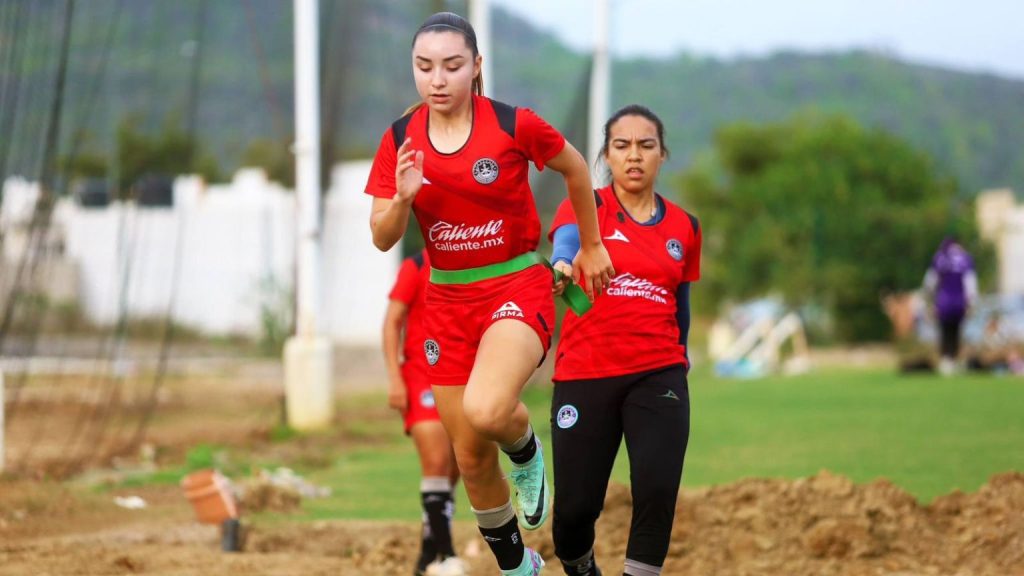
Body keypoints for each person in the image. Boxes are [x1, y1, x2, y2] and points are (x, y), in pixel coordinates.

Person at [366, 12, 615, 576]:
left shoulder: (512, 124)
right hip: (446, 304)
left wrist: (591, 245)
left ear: (476, 66)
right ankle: (518, 566)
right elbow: (382, 237)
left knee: (488, 409)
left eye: (452, 65)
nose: (437, 79)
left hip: (514, 284)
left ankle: (525, 451)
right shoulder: (400, 139)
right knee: (471, 457)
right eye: (424, 66)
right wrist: (403, 198)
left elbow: (576, 168)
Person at [547, 104, 702, 576]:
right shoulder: (586, 206)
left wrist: (679, 362)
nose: (634, 155)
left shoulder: (685, 227)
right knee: (573, 511)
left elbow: (681, 304)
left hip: (658, 374)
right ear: (607, 156)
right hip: (585, 372)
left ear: (662, 154)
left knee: (656, 491)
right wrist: (562, 262)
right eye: (622, 145)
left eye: (645, 145)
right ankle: (582, 569)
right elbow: (567, 242)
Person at [383, 248, 466, 576]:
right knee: (436, 463)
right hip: (422, 375)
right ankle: (448, 555)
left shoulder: (471, 259)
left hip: (462, 375)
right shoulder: (416, 266)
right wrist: (395, 378)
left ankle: (427, 556)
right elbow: (392, 322)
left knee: (456, 469)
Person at [922, 236, 977, 375]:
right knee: (956, 331)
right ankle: (954, 359)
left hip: (944, 301)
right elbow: (970, 283)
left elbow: (930, 282)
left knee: (945, 331)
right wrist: (971, 303)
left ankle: (946, 360)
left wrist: (929, 301)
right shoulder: (966, 258)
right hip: (960, 301)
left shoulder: (940, 257)